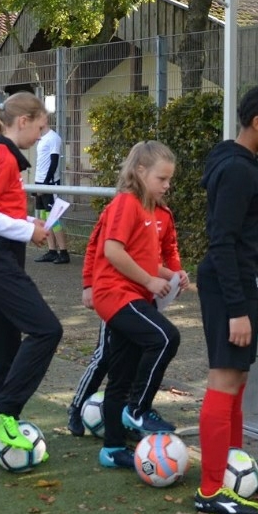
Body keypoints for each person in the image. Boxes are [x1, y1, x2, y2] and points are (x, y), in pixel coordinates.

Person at [194, 85, 258, 514]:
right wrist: (237, 308)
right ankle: (211, 489)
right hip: (226, 287)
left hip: (241, 283)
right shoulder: (236, 169)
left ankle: (234, 471)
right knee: (224, 377)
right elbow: (223, 241)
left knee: (237, 378)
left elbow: (248, 239)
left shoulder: (242, 161)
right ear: (257, 123)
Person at [0, 92, 63, 458]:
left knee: (3, 346)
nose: (41, 135)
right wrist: (25, 230)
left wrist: (28, 222)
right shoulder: (2, 155)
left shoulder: (4, 155)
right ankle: (3, 413)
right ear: (23, 122)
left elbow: (0, 209)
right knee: (47, 329)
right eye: (40, 127)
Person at [90, 142, 189, 469]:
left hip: (133, 295)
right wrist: (149, 282)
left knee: (121, 373)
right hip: (116, 294)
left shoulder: (151, 210)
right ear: (140, 172)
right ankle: (137, 409)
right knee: (166, 337)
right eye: (162, 178)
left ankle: (112, 448)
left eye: (169, 179)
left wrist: (172, 275)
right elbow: (112, 251)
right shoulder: (126, 203)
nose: (167, 185)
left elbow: (145, 259)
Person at [67, 206, 112, 435]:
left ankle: (131, 412)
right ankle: (77, 407)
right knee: (104, 355)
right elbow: (94, 246)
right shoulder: (116, 210)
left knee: (136, 357)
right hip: (115, 294)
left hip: (144, 298)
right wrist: (88, 284)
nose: (166, 188)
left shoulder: (161, 212)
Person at [33, 119, 70, 264]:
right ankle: (52, 250)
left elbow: (54, 162)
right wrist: (38, 184)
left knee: (53, 218)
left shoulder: (53, 138)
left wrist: (46, 184)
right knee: (44, 217)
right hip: (39, 181)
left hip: (49, 183)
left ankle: (64, 252)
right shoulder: (41, 139)